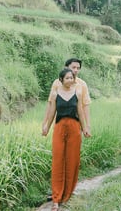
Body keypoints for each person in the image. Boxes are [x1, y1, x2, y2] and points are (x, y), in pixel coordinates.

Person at [42, 68, 90, 210]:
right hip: (59, 128)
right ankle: (56, 198)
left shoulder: (78, 92)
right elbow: (51, 113)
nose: (71, 80)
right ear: (61, 80)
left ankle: (66, 195)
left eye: (72, 78)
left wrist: (85, 127)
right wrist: (46, 127)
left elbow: (80, 112)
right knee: (58, 161)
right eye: (68, 78)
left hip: (74, 128)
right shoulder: (55, 93)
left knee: (72, 160)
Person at [43, 58, 91, 137]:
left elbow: (85, 105)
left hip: (76, 124)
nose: (76, 70)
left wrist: (87, 126)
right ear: (66, 68)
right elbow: (50, 104)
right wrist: (45, 123)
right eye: (73, 67)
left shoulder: (82, 84)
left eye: (78, 68)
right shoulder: (57, 83)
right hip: (59, 124)